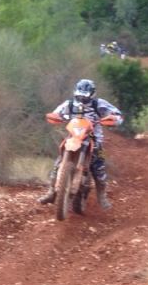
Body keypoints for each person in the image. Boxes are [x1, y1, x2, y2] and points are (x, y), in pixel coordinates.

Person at [36, 78, 123, 210]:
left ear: (92, 94)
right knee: (58, 162)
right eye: (79, 95)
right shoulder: (69, 104)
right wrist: (56, 117)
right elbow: (56, 113)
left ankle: (102, 196)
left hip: (95, 138)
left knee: (100, 166)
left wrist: (115, 119)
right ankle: (51, 192)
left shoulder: (99, 103)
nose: (82, 99)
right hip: (74, 136)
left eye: (85, 96)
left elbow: (117, 114)